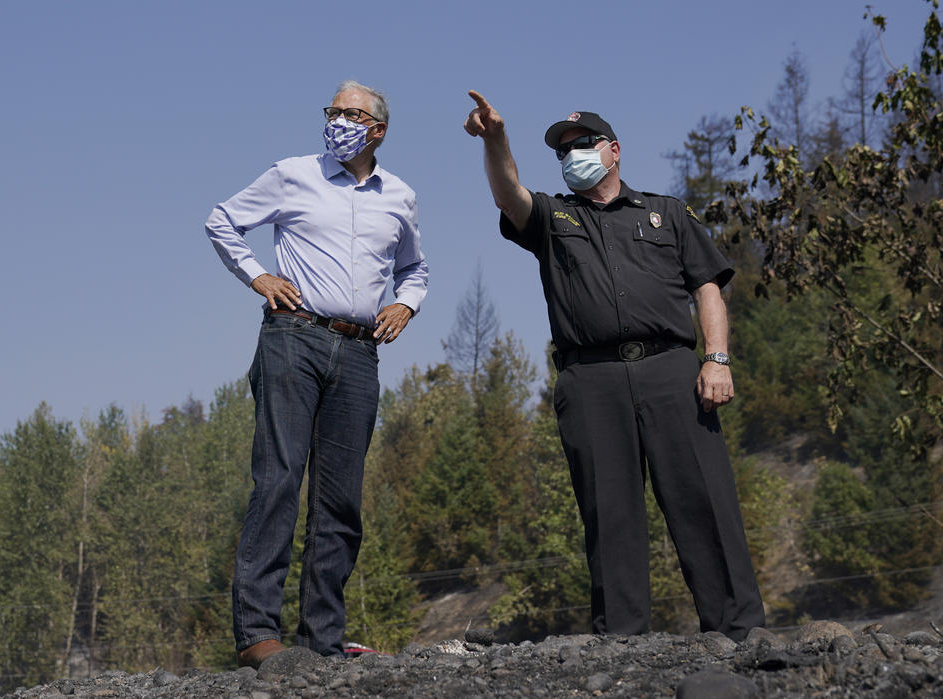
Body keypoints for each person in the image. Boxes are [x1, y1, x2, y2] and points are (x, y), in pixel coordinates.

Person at [463, 90, 764, 641]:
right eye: (563, 150)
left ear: (614, 150)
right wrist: (496, 140)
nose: (571, 154)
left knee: (703, 500)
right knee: (610, 512)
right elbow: (509, 195)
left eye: (583, 144)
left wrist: (716, 359)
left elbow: (708, 289)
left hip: (673, 369)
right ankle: (621, 642)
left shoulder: (667, 212)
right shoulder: (554, 217)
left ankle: (737, 630)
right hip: (591, 379)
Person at [205, 80, 428, 666]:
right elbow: (222, 221)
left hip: (358, 352)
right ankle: (258, 635)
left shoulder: (399, 195)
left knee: (341, 500)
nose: (338, 120)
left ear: (378, 129)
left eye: (351, 113)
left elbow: (416, 269)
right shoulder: (293, 174)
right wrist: (258, 275)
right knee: (278, 479)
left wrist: (406, 302)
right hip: (293, 337)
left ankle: (323, 640)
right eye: (333, 111)